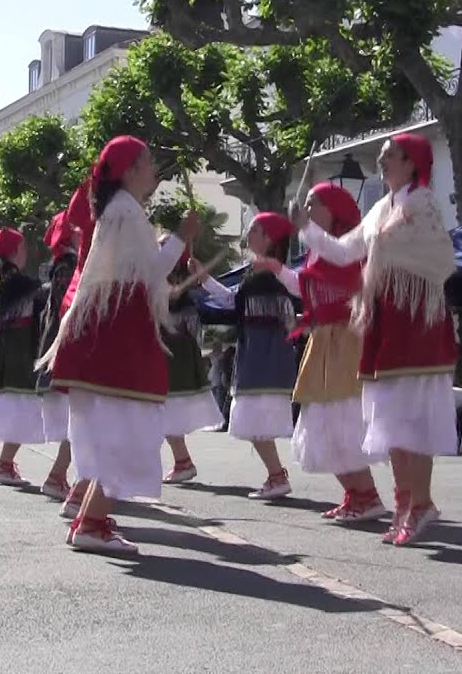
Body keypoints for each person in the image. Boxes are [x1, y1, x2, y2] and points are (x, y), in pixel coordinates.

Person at [291, 132, 458, 546]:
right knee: (392, 418)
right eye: (382, 157)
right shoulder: (382, 207)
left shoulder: (423, 203)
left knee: (413, 418)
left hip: (417, 317)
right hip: (386, 318)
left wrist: (379, 247)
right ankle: (407, 507)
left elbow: (439, 259)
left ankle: (420, 505)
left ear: (411, 162)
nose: (381, 162)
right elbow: (344, 251)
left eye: (389, 156)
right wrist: (305, 228)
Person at [37, 135, 201, 553]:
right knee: (127, 430)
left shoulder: (116, 211)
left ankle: (89, 517)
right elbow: (150, 272)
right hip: (118, 335)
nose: (154, 170)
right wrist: (181, 238)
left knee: (110, 430)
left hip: (104, 332)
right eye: (148, 163)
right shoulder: (126, 213)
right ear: (130, 170)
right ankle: (92, 523)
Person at [279, 183, 386, 522]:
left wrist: (304, 230)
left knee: (342, 417)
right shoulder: (318, 250)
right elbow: (309, 286)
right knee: (323, 418)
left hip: (346, 341)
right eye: (306, 204)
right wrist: (275, 269)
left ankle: (367, 497)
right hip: (326, 340)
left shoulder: (347, 247)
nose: (307, 209)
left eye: (314, 204)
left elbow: (341, 280)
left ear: (334, 209)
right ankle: (355, 494)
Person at [196, 212, 299, 500]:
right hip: (257, 351)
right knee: (254, 418)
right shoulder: (255, 275)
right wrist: (205, 279)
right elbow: (232, 301)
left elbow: (282, 316)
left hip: (265, 353)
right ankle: (276, 475)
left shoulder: (275, 276)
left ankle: (277, 476)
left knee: (255, 417)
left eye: (254, 229)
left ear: (268, 239)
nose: (248, 234)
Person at [0, 227, 72, 497]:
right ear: (13, 253)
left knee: (22, 407)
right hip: (20, 348)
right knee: (25, 404)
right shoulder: (16, 281)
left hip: (14, 347)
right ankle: (9, 465)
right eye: (23, 248)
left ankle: (5, 464)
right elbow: (43, 293)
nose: (27, 253)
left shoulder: (8, 279)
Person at [158, 243, 225, 486]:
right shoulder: (162, 282)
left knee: (164, 409)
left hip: (172, 355)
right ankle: (181, 460)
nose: (159, 249)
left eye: (163, 246)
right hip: (172, 353)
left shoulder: (172, 289)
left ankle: (182, 461)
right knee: (162, 412)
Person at [36, 211, 79, 509]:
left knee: (79, 418)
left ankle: (61, 476)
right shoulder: (68, 265)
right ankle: (58, 476)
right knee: (80, 417)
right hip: (66, 347)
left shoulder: (63, 264)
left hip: (61, 344)